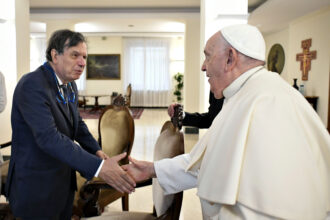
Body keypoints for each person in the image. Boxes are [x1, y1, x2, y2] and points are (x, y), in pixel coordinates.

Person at [123, 24, 330, 219]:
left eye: (208, 57)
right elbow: (208, 160)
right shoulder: (245, 94)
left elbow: (267, 202)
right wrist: (152, 169)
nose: (203, 67)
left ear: (230, 58)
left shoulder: (267, 101)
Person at [5, 29, 135, 219]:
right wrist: (98, 167)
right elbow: (49, 138)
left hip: (63, 182)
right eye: (75, 55)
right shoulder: (32, 85)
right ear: (55, 55)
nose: (82, 63)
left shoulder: (69, 84)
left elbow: (77, 123)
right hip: (36, 188)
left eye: (84, 56)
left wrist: (96, 151)